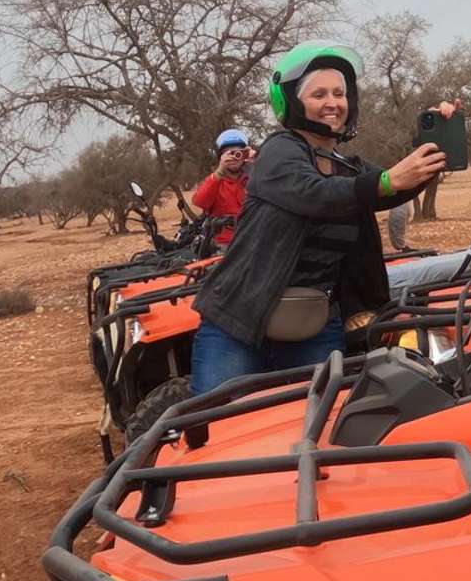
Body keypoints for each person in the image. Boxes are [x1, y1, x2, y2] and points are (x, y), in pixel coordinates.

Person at [189, 42, 451, 394]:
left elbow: (394, 188)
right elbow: (313, 193)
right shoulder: (278, 152)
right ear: (293, 102)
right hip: (237, 322)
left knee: (315, 431)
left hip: (313, 324)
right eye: (319, 93)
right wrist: (387, 180)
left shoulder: (347, 167)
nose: (333, 102)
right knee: (215, 428)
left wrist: (435, 146)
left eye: (340, 93)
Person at [190, 129, 255, 247]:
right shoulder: (215, 181)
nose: (235, 157)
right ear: (220, 157)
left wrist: (256, 161)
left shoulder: (254, 177)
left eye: (239, 153)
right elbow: (200, 201)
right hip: (224, 244)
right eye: (229, 153)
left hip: (253, 239)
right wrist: (220, 171)